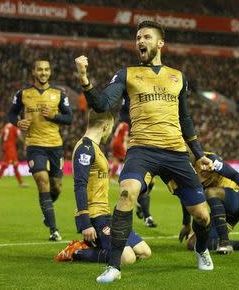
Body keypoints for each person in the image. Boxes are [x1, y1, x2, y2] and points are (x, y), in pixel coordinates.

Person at [75, 20, 214, 283]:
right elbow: (102, 103)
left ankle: (202, 249)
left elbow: (186, 120)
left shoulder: (178, 77)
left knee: (202, 216)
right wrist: (84, 80)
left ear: (160, 43)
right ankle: (114, 266)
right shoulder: (126, 74)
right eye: (138, 37)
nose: (141, 41)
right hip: (142, 150)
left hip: (175, 152)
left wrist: (199, 153)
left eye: (147, 37)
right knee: (127, 193)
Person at [55, 110, 151, 264]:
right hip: (94, 216)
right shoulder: (84, 148)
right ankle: (76, 251)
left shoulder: (95, 147)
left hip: (106, 214)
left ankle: (97, 246)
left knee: (145, 252)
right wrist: (85, 223)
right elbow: (80, 185)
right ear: (106, 126)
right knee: (127, 258)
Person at [8, 59, 73, 241]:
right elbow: (11, 113)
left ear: (50, 72)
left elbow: (69, 118)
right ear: (34, 72)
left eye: (46, 70)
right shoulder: (23, 94)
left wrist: (54, 116)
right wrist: (18, 122)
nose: (43, 72)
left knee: (56, 187)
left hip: (55, 145)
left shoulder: (59, 94)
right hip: (34, 145)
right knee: (42, 181)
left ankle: (47, 209)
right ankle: (54, 229)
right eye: (40, 70)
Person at [178, 151, 239, 254]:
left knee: (211, 192)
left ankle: (225, 243)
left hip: (238, 198)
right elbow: (188, 198)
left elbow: (234, 174)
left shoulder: (210, 159)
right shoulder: (186, 174)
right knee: (194, 243)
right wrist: (186, 224)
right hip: (221, 210)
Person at [0, 123, 29, 187]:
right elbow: (20, 137)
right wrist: (25, 144)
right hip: (11, 147)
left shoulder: (6, 126)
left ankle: (21, 183)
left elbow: (1, 138)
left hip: (7, 146)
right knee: (5, 165)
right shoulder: (14, 127)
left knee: (15, 165)